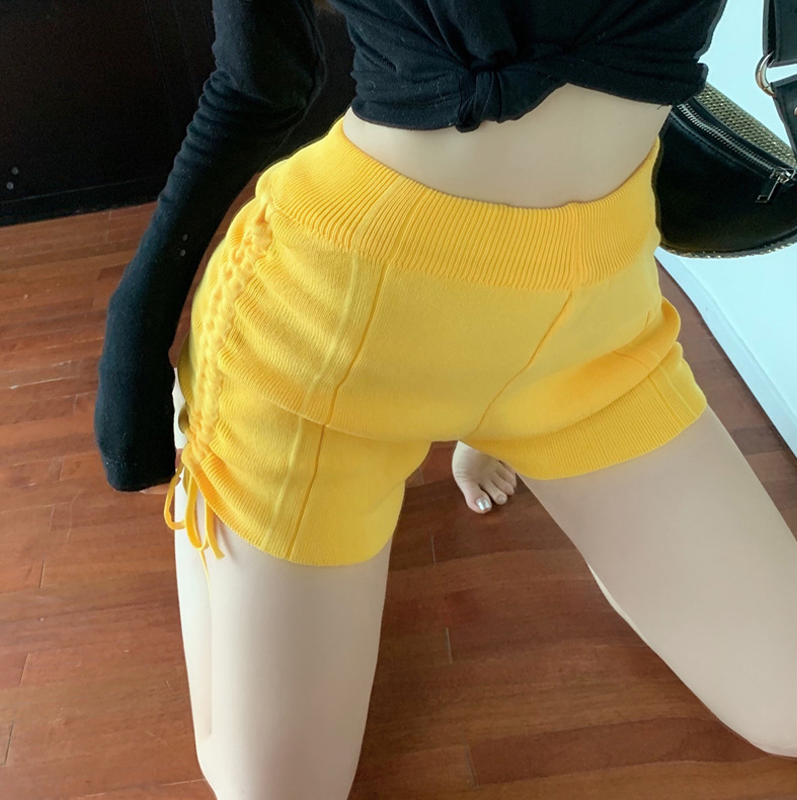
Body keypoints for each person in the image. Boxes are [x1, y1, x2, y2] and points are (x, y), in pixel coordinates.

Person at [94, 0, 797, 796]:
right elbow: (261, 80)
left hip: (594, 325)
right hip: (331, 334)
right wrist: (135, 331)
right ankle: (213, 446)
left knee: (787, 707)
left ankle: (482, 425)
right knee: (273, 790)